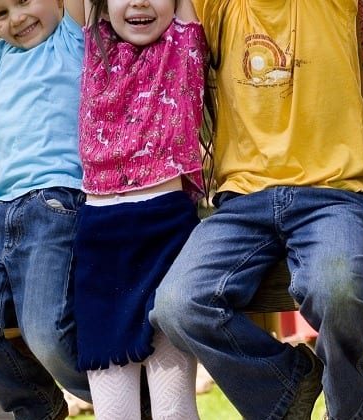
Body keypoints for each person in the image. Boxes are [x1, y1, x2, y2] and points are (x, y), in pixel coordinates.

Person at [150, 1, 363, 419]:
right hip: (243, 202)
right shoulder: (218, 7)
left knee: (337, 290)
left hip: (334, 193)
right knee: (178, 304)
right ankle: (286, 387)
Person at [0, 0, 90, 418]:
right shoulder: (1, 56)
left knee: (46, 335)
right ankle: (40, 407)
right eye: (0, 12)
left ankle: (129, 400)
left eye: (25, 1)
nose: (16, 19)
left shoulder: (71, 37)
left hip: (56, 205)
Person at [72, 0, 208, 418]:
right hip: (100, 239)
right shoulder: (96, 42)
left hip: (164, 230)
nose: (139, 2)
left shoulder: (183, 39)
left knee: (172, 409)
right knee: (115, 412)